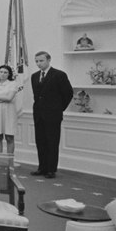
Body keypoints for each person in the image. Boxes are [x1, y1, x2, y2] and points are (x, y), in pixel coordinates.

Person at [31, 51, 73, 179]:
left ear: (49, 60)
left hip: (53, 114)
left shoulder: (59, 75)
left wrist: (58, 109)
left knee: (52, 142)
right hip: (38, 114)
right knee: (40, 141)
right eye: (37, 61)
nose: (39, 63)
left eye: (41, 61)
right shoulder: (34, 76)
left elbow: (68, 94)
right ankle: (42, 167)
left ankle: (51, 169)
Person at [0, 64, 21, 155]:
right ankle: (0, 161)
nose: (2, 74)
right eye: (1, 72)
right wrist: (3, 97)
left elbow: (9, 98)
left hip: (9, 113)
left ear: (9, 74)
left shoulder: (13, 84)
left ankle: (9, 161)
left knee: (9, 137)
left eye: (5, 72)